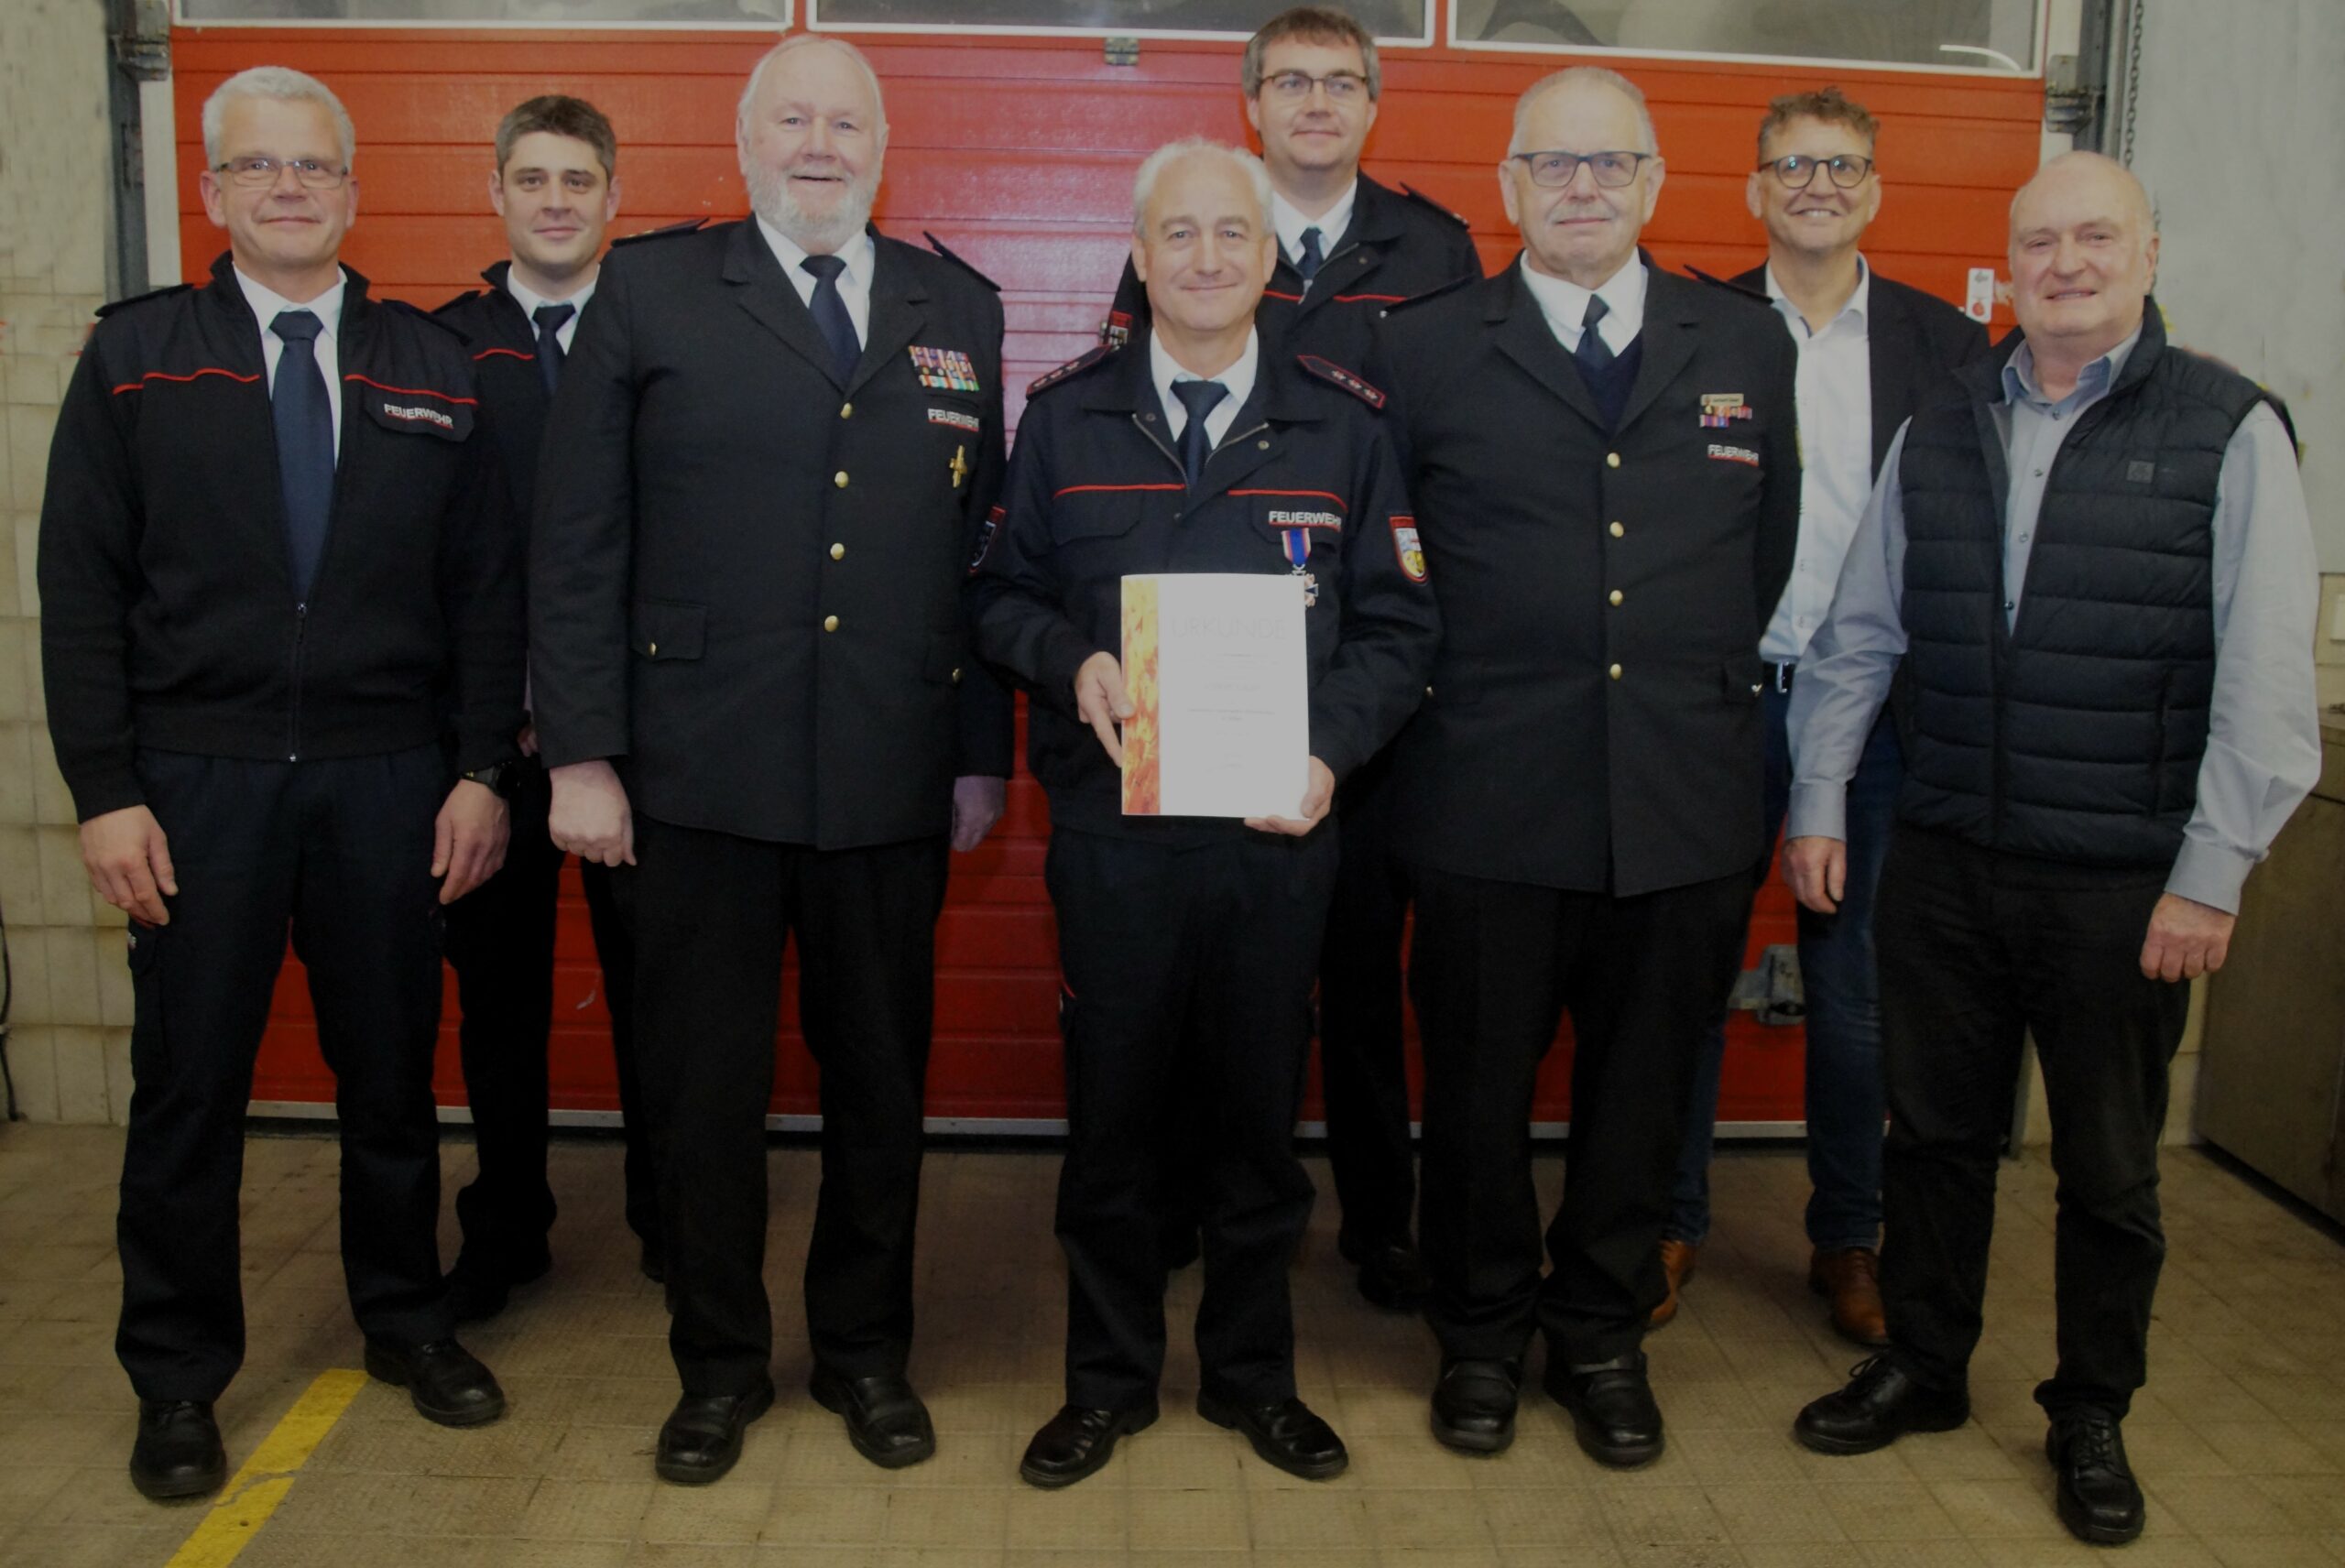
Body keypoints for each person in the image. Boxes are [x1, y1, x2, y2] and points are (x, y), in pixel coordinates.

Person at [1784, 151, 2319, 1548]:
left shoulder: (2229, 428)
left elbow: (2267, 681)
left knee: (2109, 1168)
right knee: (1936, 1138)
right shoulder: (1946, 416)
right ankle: (1926, 1361)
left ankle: (2092, 1408)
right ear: (2005, 266)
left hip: (2124, 881)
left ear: (2149, 253)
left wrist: (2212, 873)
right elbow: (1860, 634)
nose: (2067, 263)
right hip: (1950, 852)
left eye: (2097, 238)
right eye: (2041, 244)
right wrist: (1823, 801)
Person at [529, 34, 1013, 1486]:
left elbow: (977, 557)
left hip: (886, 772)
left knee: (882, 1087)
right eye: (790, 118)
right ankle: (719, 1365)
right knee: (704, 1092)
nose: (819, 143)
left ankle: (866, 1356)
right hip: (692, 777)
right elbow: (577, 540)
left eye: (845, 121)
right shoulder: (657, 289)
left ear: (883, 143)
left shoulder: (960, 309)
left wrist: (978, 751)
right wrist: (586, 757)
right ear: (745, 143)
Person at [38, 65, 522, 1501]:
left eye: (313, 167)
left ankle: (406, 1321)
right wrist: (105, 788)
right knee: (189, 1095)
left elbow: (486, 595)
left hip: (389, 784)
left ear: (355, 190)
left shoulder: (433, 367)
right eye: (258, 169)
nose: (289, 189)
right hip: (201, 790)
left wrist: (483, 771)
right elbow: (77, 588)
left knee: (391, 1081)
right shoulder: (134, 360)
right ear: (212, 193)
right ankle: (178, 1381)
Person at [969, 137, 1438, 1490]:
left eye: (1233, 234)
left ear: (1268, 255)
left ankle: (1251, 1381)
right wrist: (1073, 663)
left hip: (1278, 841)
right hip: (1115, 844)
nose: (1208, 258)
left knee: (1256, 1128)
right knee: (1111, 1125)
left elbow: (1402, 626)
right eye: (1180, 235)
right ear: (1141, 251)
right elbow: (998, 597)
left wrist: (1331, 754)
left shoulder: (1345, 423)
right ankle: (1106, 1384)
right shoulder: (1063, 418)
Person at [1377, 66, 1798, 1465]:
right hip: (1486, 794)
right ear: (1508, 188)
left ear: (1655, 182)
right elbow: (1396, 563)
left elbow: (1763, 553)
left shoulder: (1745, 343)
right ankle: (1484, 1335)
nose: (1582, 188)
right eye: (1553, 165)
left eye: (1610, 164)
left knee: (1642, 1093)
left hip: (1681, 798)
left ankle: (1602, 1332)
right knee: (1479, 1093)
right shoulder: (1426, 347)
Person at [1103, 6, 1481, 1311]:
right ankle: (1185, 1211)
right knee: (1198, 982)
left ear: (1375, 105)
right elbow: (1124, 403)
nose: (1316, 104)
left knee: (1362, 970)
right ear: (1251, 102)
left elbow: (1447, 449)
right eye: (1291, 82)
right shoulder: (1184, 226)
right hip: (1195, 690)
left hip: (1355, 698)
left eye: (1342, 83)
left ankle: (1381, 1222)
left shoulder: (1433, 247)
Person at [1656, 86, 1987, 1344]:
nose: (1817, 185)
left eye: (1842, 165)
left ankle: (1849, 1235)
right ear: (1752, 189)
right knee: (1683, 976)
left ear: (1875, 190)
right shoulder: (1691, 327)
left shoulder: (1948, 347)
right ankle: (1671, 1218)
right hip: (1716, 708)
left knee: (1855, 999)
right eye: (1792, 165)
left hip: (1879, 724)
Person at [431, 93, 660, 1323]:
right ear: (499, 194)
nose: (558, 201)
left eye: (580, 179)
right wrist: (491, 722)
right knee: (500, 999)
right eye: (535, 180)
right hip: (491, 749)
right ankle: (507, 1225)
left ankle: (671, 1216)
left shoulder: (666, 332)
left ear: (614, 198)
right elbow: (430, 557)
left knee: (659, 993)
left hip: (639, 743)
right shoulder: (440, 349)